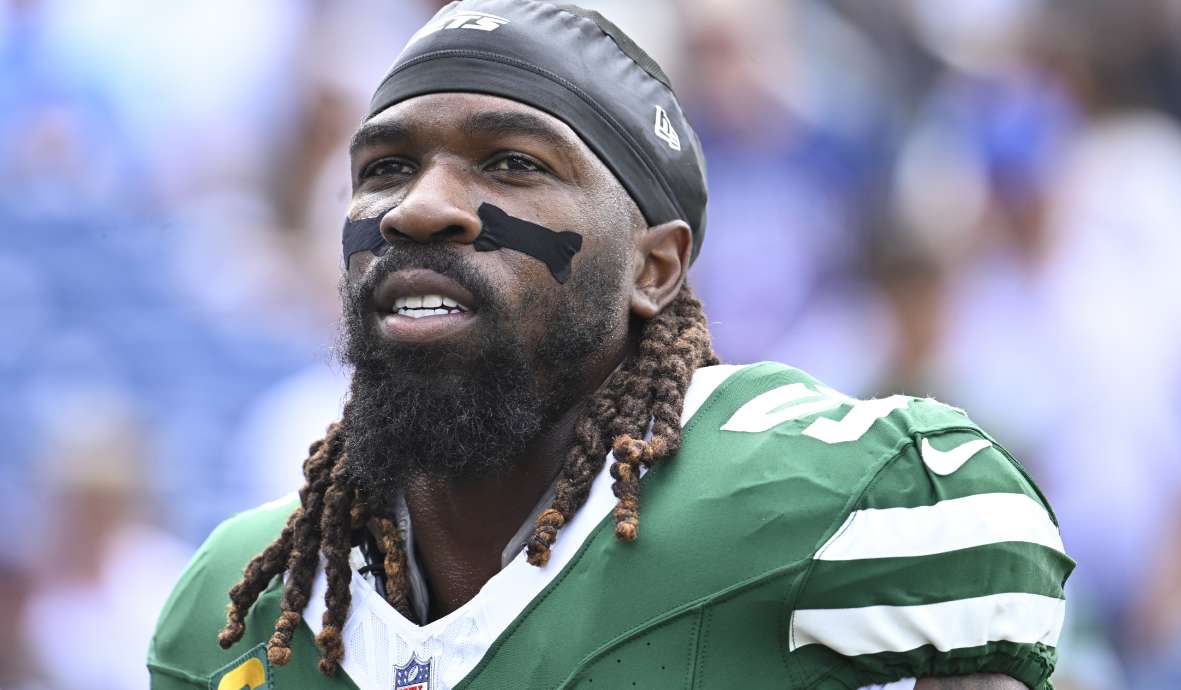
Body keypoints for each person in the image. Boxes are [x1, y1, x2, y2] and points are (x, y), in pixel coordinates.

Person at [148, 2, 1073, 688]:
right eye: (385, 168)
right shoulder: (234, 608)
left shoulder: (828, 496)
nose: (420, 207)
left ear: (655, 268)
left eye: (512, 162)